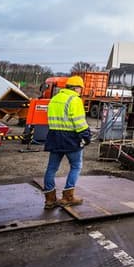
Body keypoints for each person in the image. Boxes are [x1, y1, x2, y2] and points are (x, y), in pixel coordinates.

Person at [42, 76, 91, 208]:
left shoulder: (55, 99)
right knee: (76, 166)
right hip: (71, 139)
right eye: (81, 88)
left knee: (51, 168)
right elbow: (79, 122)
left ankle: (50, 199)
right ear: (76, 88)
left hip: (54, 137)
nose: (81, 91)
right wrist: (86, 137)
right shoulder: (74, 100)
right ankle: (68, 196)